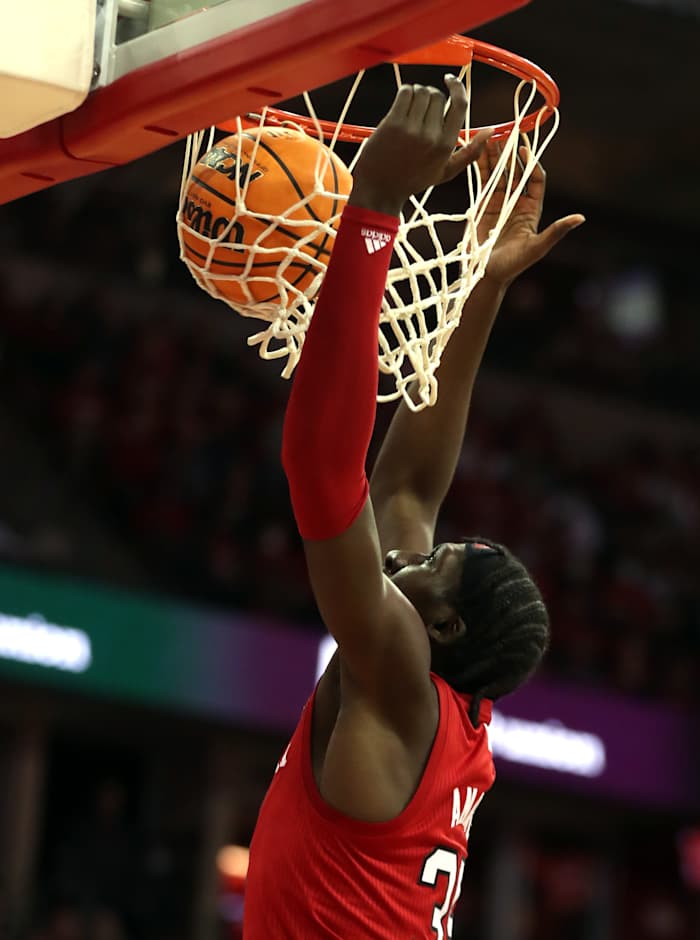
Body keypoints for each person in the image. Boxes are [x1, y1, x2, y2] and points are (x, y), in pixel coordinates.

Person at [243, 78, 584, 938]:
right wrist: (481, 287)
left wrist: (377, 206)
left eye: (434, 564)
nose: (412, 554)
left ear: (446, 629)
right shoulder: (437, 683)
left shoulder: (397, 675)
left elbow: (326, 473)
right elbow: (403, 491)